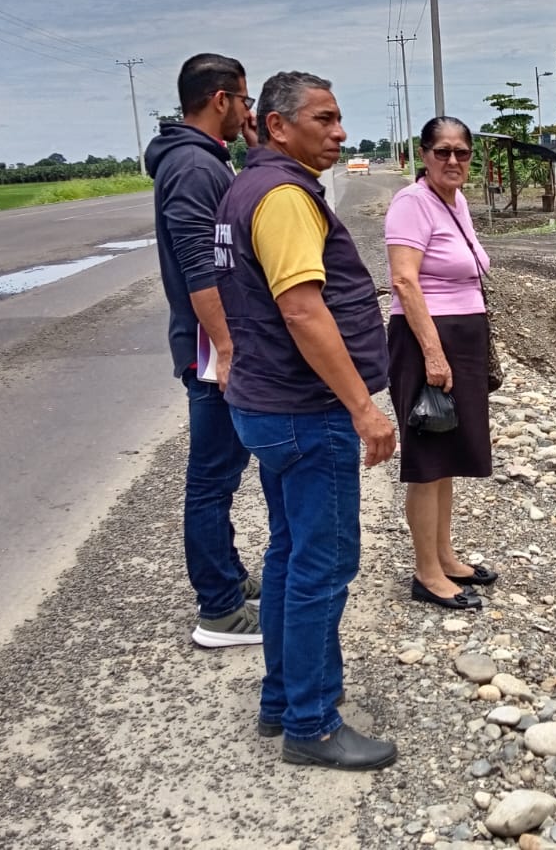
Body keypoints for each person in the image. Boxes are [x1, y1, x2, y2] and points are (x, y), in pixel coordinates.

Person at [214, 70, 398, 771]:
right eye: (323, 118)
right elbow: (301, 309)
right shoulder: (285, 197)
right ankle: (312, 724)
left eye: (338, 117)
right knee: (323, 564)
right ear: (277, 125)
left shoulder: (247, 188)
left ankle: (282, 698)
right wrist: (362, 407)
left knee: (290, 554)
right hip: (304, 409)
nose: (339, 132)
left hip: (267, 403)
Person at [144, 53, 263, 650]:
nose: (248, 111)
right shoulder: (194, 166)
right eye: (244, 100)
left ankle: (230, 578)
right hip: (211, 350)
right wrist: (227, 349)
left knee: (223, 474)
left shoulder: (206, 157)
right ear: (220, 99)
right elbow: (200, 266)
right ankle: (219, 611)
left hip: (215, 346)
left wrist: (253, 150)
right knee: (212, 480)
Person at [384, 117, 496, 611]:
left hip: (460, 338)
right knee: (428, 458)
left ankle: (445, 556)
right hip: (425, 338)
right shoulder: (411, 203)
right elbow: (404, 281)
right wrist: (433, 352)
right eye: (442, 151)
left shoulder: (457, 200)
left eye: (461, 152)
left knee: (447, 452)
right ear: (424, 155)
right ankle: (426, 573)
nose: (453, 160)